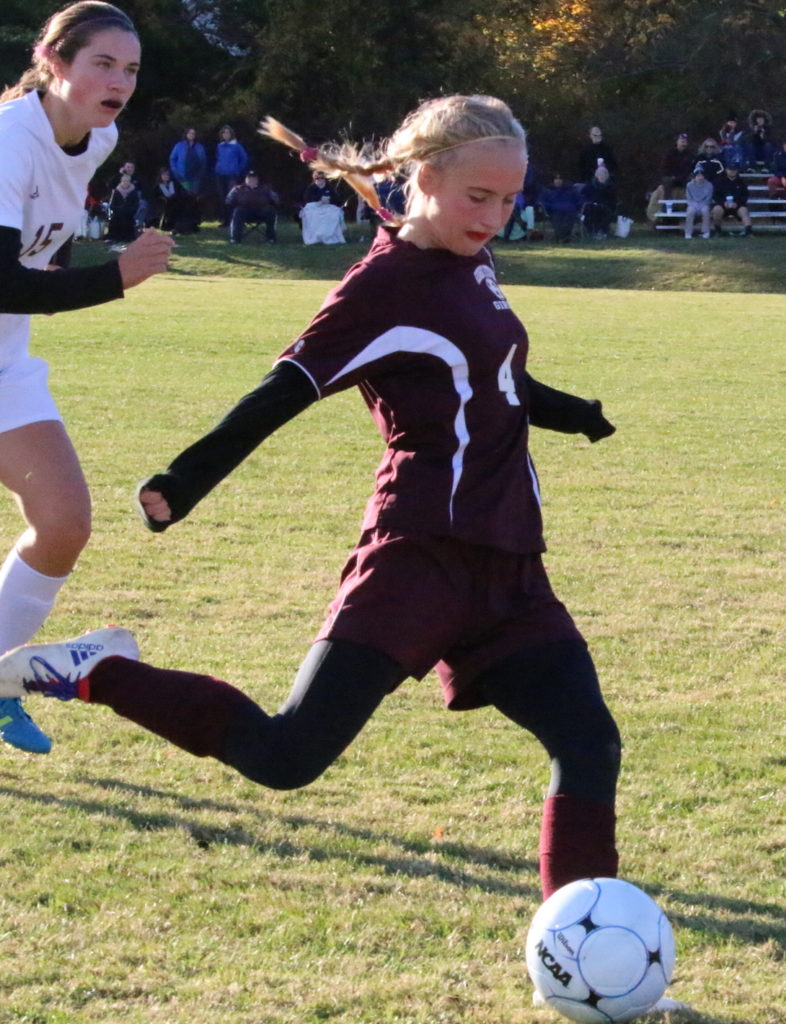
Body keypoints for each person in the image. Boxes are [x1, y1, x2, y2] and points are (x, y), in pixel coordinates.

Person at [0, 95, 621, 906]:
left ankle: (580, 946)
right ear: (423, 177)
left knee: (588, 742)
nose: (496, 216)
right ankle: (100, 670)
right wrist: (184, 481)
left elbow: (490, 373)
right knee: (286, 756)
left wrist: (572, 414)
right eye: (479, 197)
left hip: (509, 564)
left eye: (509, 199)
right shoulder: (382, 287)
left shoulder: (470, 255)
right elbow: (283, 390)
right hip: (419, 558)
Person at [0, 1, 173, 754]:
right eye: (103, 63)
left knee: (64, 522)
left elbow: (43, 254)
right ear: (55, 60)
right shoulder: (8, 142)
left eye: (130, 69)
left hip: (4, 361)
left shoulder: (97, 137)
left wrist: (91, 269)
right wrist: (118, 277)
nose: (119, 81)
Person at [226, 170, 279, 243]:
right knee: (238, 211)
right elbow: (228, 200)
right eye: (249, 178)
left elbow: (276, 199)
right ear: (246, 179)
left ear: (257, 179)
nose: (252, 180)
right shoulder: (237, 189)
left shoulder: (265, 189)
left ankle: (271, 238)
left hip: (261, 211)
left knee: (271, 211)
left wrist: (274, 200)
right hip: (244, 211)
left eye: (254, 178)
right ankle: (235, 238)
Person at [214, 125, 249, 226]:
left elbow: (244, 159)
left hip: (231, 175)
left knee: (232, 197)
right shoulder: (219, 146)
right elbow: (218, 158)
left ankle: (236, 220)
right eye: (224, 133)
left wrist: (237, 170)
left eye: (227, 132)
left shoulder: (237, 146)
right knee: (223, 198)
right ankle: (226, 220)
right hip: (220, 175)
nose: (226, 134)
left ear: (231, 134)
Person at [539, 172, 583, 242]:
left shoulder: (570, 189)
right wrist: (551, 207)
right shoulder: (548, 190)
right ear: (553, 180)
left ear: (563, 180)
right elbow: (543, 202)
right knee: (557, 217)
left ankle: (563, 237)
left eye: (560, 179)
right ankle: (562, 237)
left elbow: (579, 200)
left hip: (569, 210)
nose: (558, 181)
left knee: (569, 216)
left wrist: (576, 207)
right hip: (554, 211)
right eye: (556, 179)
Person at [711, 163, 752, 236]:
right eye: (730, 170)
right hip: (723, 205)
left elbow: (745, 195)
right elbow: (715, 195)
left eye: (734, 170)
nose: (732, 171)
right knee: (716, 210)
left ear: (737, 171)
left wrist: (737, 203)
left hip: (737, 205)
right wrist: (723, 203)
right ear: (726, 170)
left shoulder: (741, 182)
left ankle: (748, 232)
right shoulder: (720, 181)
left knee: (744, 210)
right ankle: (717, 231)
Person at [169, 128, 208, 199]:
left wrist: (201, 173)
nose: (191, 135)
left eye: (193, 133)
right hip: (183, 177)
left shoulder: (199, 146)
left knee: (194, 197)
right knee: (184, 197)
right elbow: (172, 159)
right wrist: (175, 172)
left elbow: (204, 161)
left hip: (196, 177)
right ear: (186, 134)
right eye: (189, 133)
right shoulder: (179, 146)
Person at [581, 165, 618, 238]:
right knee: (591, 210)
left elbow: (613, 200)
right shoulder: (590, 185)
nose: (602, 175)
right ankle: (592, 231)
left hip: (606, 206)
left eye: (604, 173)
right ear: (596, 175)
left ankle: (601, 231)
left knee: (605, 211)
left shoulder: (610, 187)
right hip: (591, 205)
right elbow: (583, 197)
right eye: (600, 173)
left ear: (607, 175)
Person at [105, 171, 139, 244]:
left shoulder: (134, 192)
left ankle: (127, 237)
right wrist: (118, 210)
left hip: (129, 213)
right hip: (118, 213)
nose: (125, 182)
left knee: (128, 219)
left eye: (127, 181)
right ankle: (114, 237)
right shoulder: (116, 191)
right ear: (121, 181)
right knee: (115, 220)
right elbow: (112, 205)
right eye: (124, 181)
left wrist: (129, 210)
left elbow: (136, 204)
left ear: (130, 182)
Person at [149, 166, 184, 231]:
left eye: (167, 175)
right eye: (164, 175)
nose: (166, 176)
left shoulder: (175, 183)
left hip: (175, 202)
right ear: (161, 176)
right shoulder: (157, 186)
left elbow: (180, 192)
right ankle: (165, 225)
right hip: (164, 203)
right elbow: (154, 197)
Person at [683, 168, 713, 240]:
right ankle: (688, 233)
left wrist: (702, 204)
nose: (700, 177)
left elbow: (709, 198)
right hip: (692, 204)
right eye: (698, 176)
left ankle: (706, 232)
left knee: (705, 211)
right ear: (694, 177)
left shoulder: (709, 185)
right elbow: (688, 197)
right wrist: (694, 205)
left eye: (702, 175)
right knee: (690, 212)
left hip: (704, 204)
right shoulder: (689, 185)